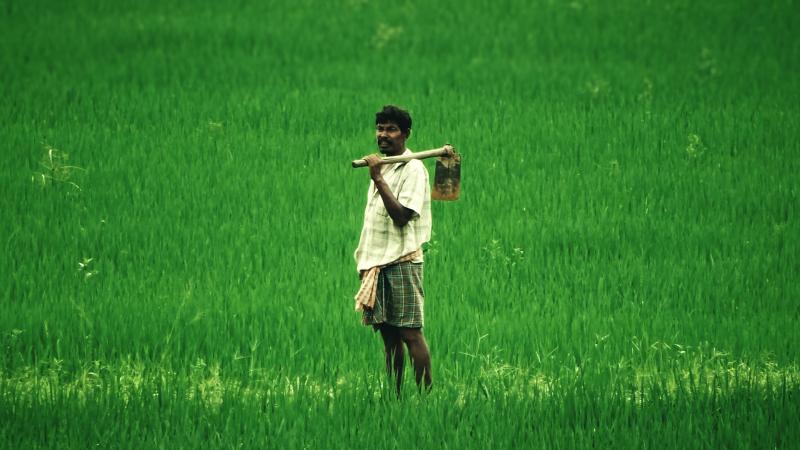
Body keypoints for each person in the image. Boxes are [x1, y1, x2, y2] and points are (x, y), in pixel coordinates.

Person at [354, 105, 433, 395]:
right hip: (377, 261)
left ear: (405, 134)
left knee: (410, 333)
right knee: (388, 336)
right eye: (380, 128)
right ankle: (393, 396)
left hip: (401, 261)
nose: (383, 135)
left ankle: (426, 398)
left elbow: (401, 216)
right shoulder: (384, 165)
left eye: (391, 129)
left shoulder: (413, 169)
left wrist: (377, 177)